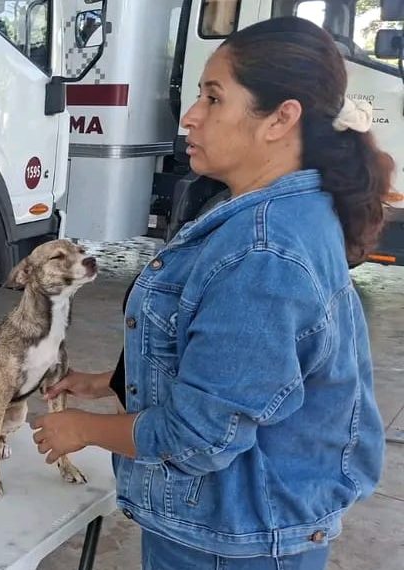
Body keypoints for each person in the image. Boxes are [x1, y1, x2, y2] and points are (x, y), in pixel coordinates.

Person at [32, 17, 390, 569]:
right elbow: (250, 374)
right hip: (241, 525)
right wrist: (113, 382)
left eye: (214, 98)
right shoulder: (276, 214)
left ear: (280, 118)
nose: (191, 116)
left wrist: (81, 429)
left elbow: (199, 437)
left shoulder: (263, 251)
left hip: (234, 541)